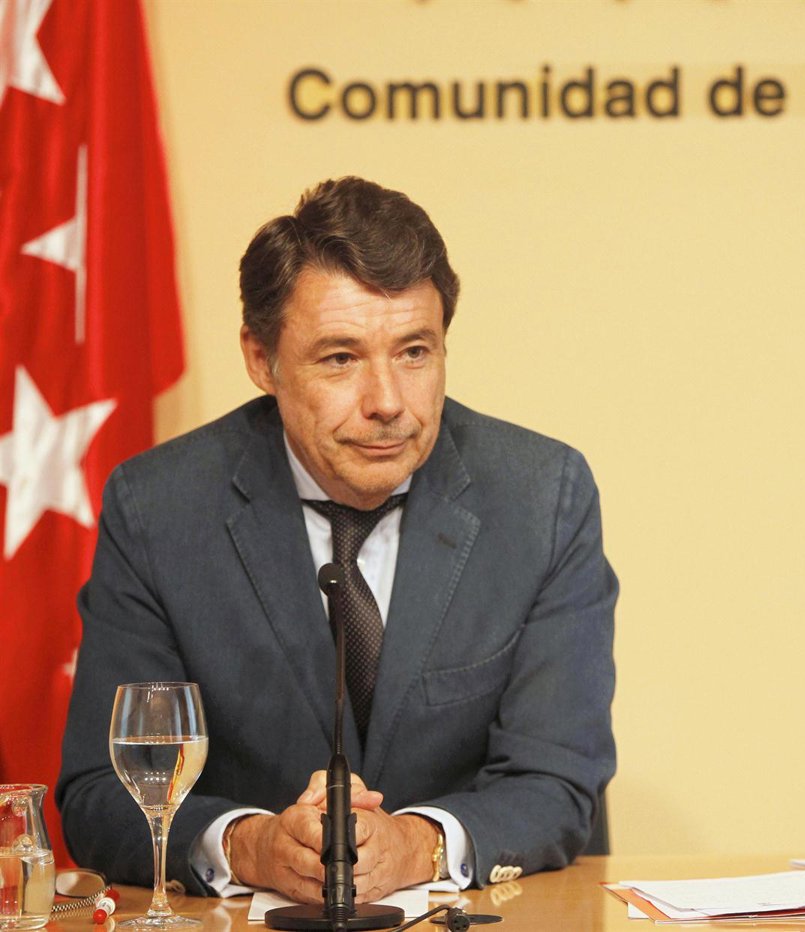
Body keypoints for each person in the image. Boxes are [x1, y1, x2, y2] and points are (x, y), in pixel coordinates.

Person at [55, 177, 617, 902]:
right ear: (262, 360)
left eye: (414, 352)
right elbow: (102, 793)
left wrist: (415, 845)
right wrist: (249, 845)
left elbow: (558, 779)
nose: (387, 402)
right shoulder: (160, 509)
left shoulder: (541, 497)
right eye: (341, 358)